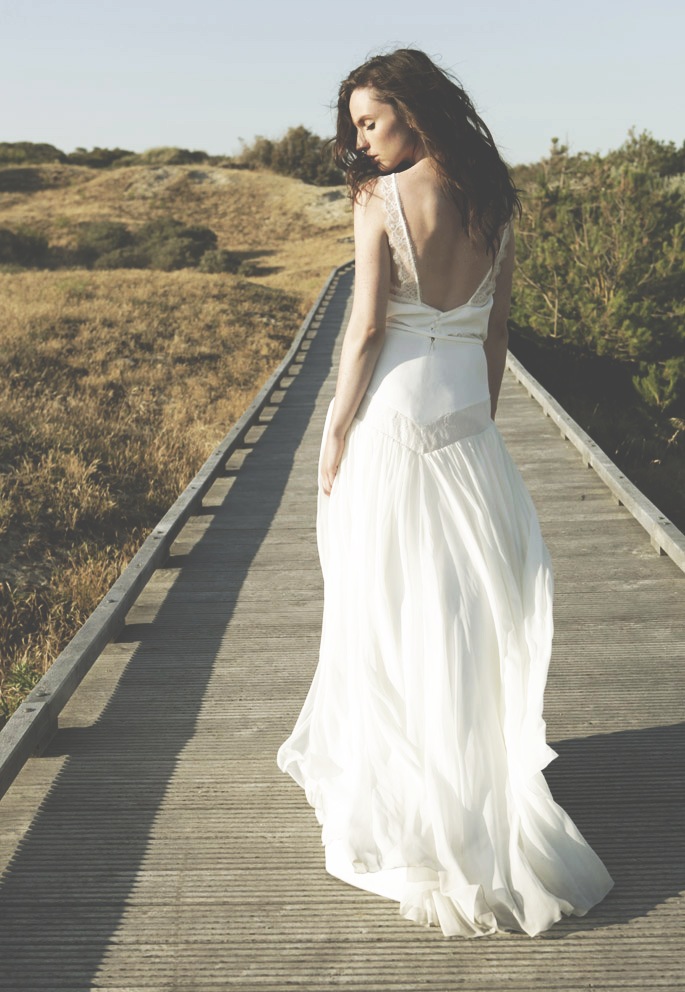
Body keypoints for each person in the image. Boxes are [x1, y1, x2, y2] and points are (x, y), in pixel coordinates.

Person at [276, 48, 613, 938]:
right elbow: (495, 333)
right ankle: (461, 779)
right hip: (467, 425)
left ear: (413, 112)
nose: (360, 141)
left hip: (392, 421)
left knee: (385, 605)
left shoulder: (380, 200)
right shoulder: (492, 202)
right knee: (461, 611)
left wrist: (336, 429)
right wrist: (481, 421)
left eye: (370, 121)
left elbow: (365, 329)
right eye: (356, 126)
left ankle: (415, 797)